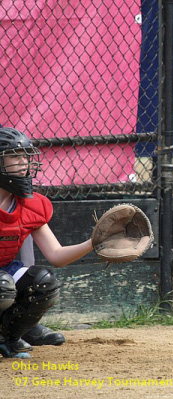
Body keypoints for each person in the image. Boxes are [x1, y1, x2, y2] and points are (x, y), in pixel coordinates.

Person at [0, 127, 94, 359]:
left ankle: (10, 338)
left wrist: (95, 242)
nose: (24, 162)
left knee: (43, 283)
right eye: (15, 156)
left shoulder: (31, 204)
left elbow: (56, 255)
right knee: (2, 285)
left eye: (26, 156)